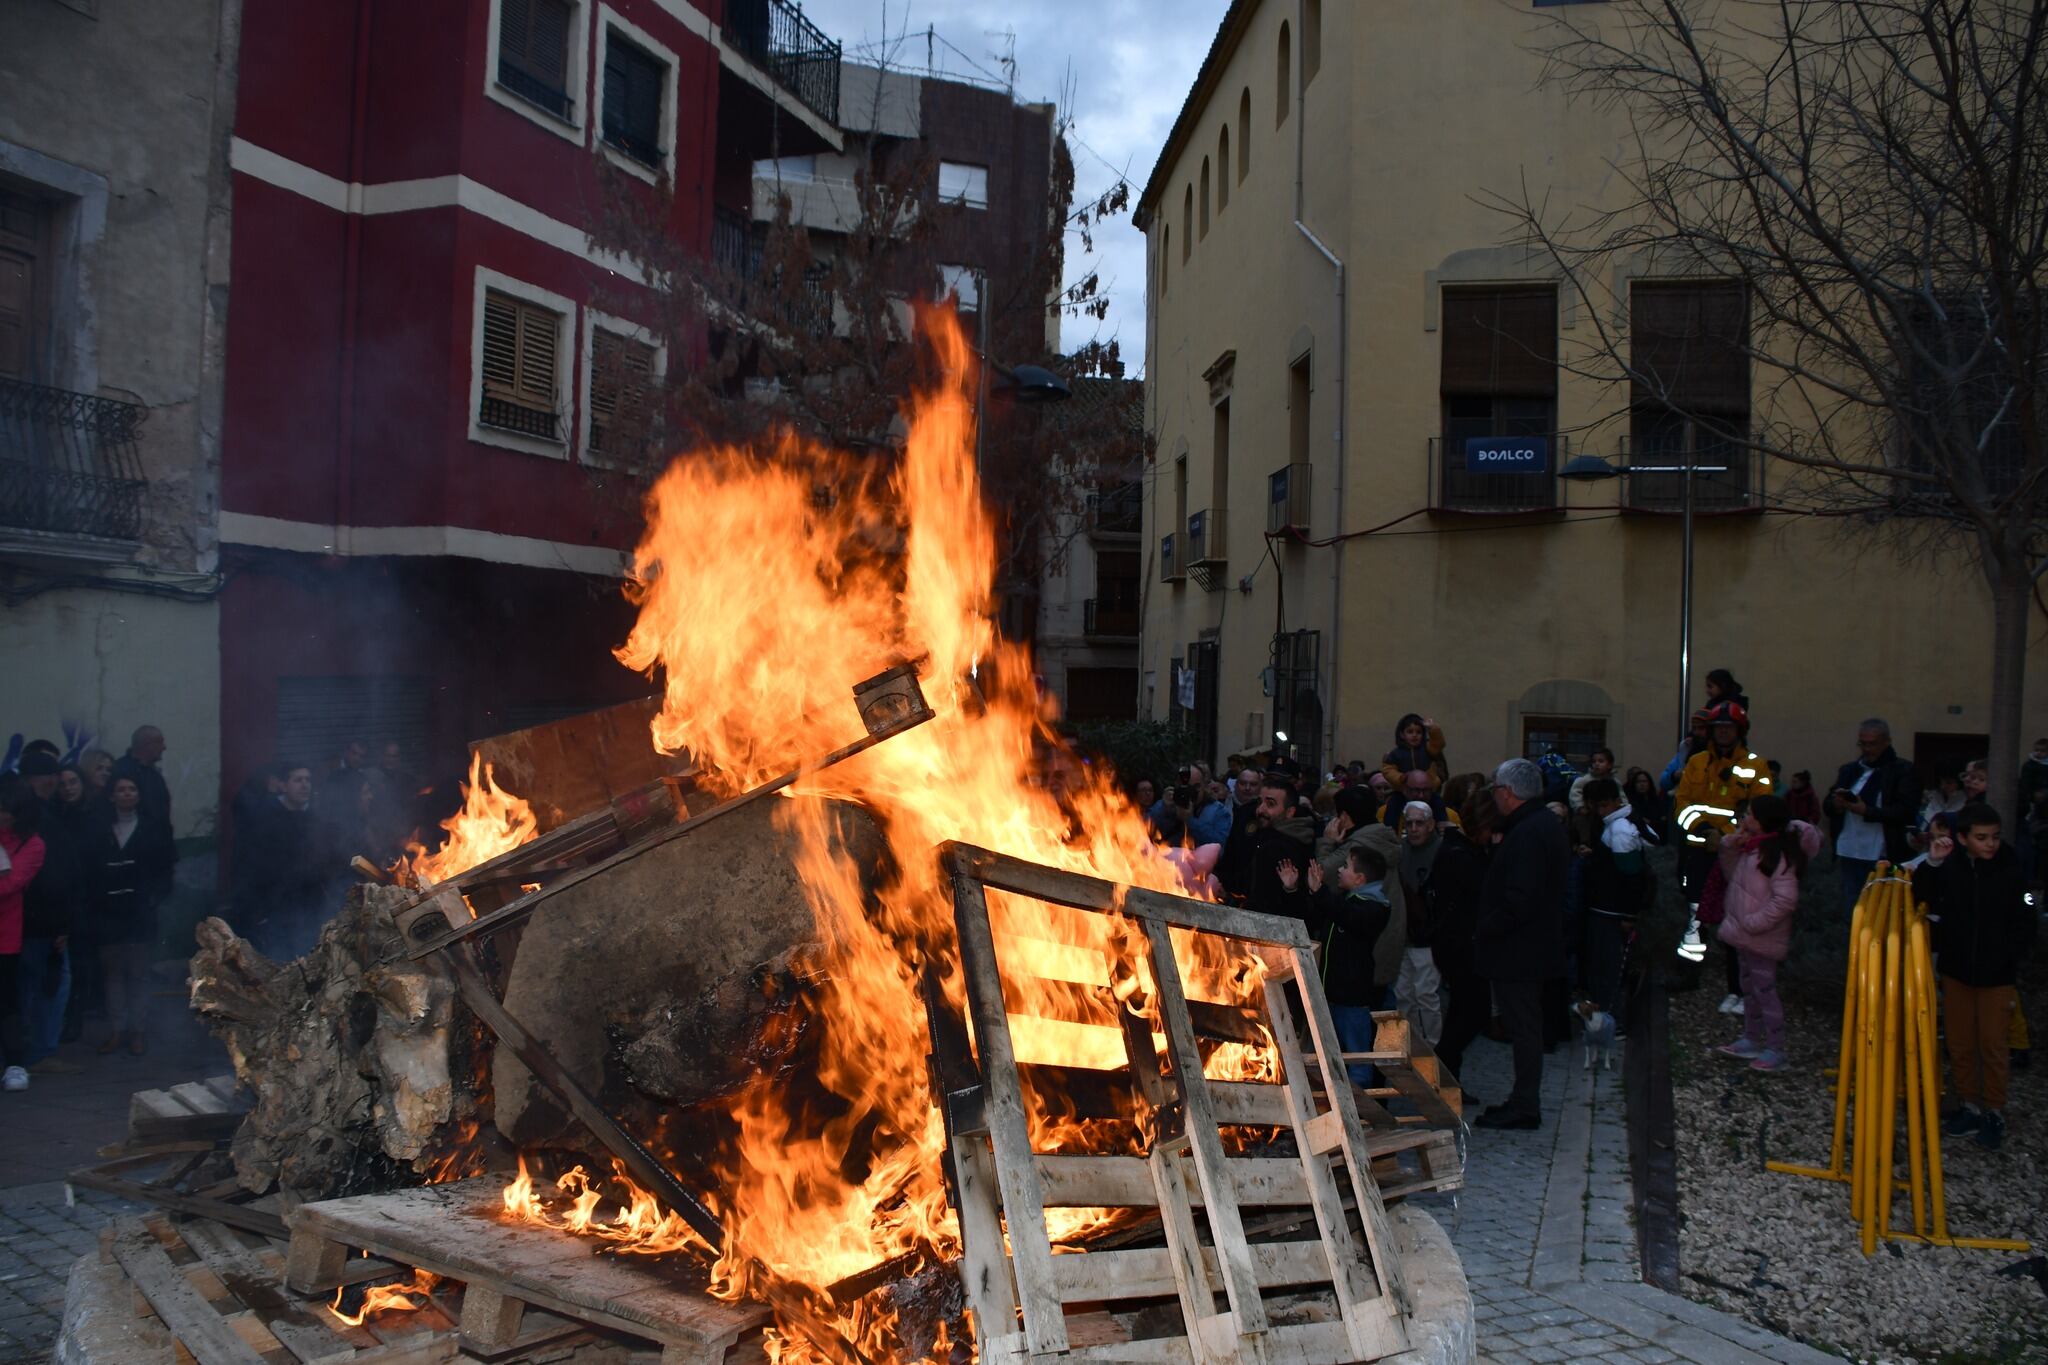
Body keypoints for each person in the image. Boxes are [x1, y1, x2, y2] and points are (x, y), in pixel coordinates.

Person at [1914, 803, 2035, 1150]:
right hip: (1957, 972)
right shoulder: (1950, 868)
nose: (1991, 844)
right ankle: (1968, 1104)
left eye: (1995, 837)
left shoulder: (2011, 872)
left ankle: (1993, 1110)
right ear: (1963, 838)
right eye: (1981, 837)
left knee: (1994, 1045)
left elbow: (2026, 920)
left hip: (1996, 976)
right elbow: (1922, 894)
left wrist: (2009, 956)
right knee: (1960, 1041)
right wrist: (1933, 862)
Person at [1471, 758, 1569, 1130]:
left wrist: (1486, 929)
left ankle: (1526, 1104)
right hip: (1528, 946)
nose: (1494, 796)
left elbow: (1521, 898)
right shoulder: (1539, 824)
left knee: (1524, 1027)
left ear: (1508, 793)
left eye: (1496, 790)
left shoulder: (1530, 832)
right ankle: (1522, 1099)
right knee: (1525, 1025)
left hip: (1521, 950)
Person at [1672, 701, 1775, 1010]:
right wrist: (1704, 831)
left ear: (1740, 731)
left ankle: (1738, 990)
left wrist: (1730, 838)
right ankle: (1689, 976)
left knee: (1737, 918)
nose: (1723, 733)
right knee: (1694, 914)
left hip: (1738, 856)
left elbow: (1762, 813)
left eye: (1729, 728)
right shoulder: (1698, 762)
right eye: (1719, 728)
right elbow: (1682, 804)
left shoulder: (1757, 766)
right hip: (1698, 851)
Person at [1714, 795, 1820, 1073]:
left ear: (1763, 821)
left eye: (1749, 814)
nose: (1743, 819)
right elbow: (1730, 874)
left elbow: (1785, 900)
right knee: (1749, 990)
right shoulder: (1751, 849)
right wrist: (1729, 845)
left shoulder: (1778, 856)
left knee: (1765, 993)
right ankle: (1751, 1038)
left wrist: (1754, 922)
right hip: (1744, 935)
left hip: (1760, 936)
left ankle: (1776, 1047)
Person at [1278, 844, 1393, 1084]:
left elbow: (1348, 916)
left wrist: (1320, 892)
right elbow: (1310, 917)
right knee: (1325, 1057)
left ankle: (1361, 1115)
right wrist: (1293, 890)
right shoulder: (1344, 900)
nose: (1339, 870)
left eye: (1345, 866)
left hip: (1352, 1001)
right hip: (1328, 995)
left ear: (1360, 879)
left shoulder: (1375, 908)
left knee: (1357, 1061)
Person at [86, 776, 176, 1055]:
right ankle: (117, 1030)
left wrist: (151, 898)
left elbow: (166, 869)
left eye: (132, 789)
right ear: (111, 796)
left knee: (138, 974)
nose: (126, 794)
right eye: (120, 790)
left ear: (139, 794)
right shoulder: (99, 827)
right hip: (107, 912)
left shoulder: (154, 827)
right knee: (112, 974)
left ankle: (137, 1031)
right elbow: (89, 866)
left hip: (140, 912)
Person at [14, 752, 80, 1073]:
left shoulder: (25, 813)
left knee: (26, 987)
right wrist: (61, 924)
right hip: (40, 921)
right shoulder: (39, 819)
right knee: (48, 985)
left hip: (22, 919)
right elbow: (53, 877)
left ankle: (21, 1052)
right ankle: (39, 1052)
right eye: (50, 776)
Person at [1316, 784, 1408, 1001]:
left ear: (1345, 817)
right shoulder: (1380, 836)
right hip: (1387, 937)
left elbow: (1320, 876)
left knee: (1362, 1015)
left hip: (1366, 951)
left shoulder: (1359, 847)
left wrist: (1327, 842)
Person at [235, 764, 331, 959]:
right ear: (283, 785)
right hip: (274, 908)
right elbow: (253, 866)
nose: (305, 785)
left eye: (307, 780)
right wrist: (259, 910)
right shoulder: (265, 819)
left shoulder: (313, 819)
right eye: (297, 780)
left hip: (306, 908)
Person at [1827, 718, 1921, 915]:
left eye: (1872, 744)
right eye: (1862, 743)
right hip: (1850, 849)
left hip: (1884, 853)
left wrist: (1866, 811)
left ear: (1887, 742)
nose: (1867, 749)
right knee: (1852, 911)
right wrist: (1836, 804)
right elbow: (1828, 802)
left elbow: (1906, 811)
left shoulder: (1903, 770)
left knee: (1882, 911)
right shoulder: (1850, 770)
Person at [1578, 777, 1649, 1022]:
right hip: (1609, 909)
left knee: (1610, 968)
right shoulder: (1619, 824)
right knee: (1605, 966)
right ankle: (1605, 1013)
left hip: (1612, 911)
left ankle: (1612, 1020)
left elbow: (1632, 876)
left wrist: (1630, 914)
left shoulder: (1620, 830)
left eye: (1598, 805)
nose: (1595, 811)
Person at [1, 776, 49, 1093]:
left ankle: (15, 1063)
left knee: (7, 1002)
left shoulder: (32, 844)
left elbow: (11, 885)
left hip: (6, 936)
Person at [1393, 801, 1447, 1046]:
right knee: (1404, 995)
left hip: (1429, 935)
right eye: (1410, 823)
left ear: (1431, 824)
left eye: (1420, 823)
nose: (1414, 828)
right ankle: (1412, 1046)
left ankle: (1433, 1046)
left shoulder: (1442, 851)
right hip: (1404, 933)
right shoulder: (1400, 850)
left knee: (1426, 994)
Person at [111, 725, 172, 828]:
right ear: (147, 744)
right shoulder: (120, 771)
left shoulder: (155, 775)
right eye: (160, 742)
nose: (164, 747)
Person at [1380, 714, 1447, 790]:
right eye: (1410, 732)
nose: (1414, 735)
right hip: (1404, 791)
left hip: (1428, 789)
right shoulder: (1395, 754)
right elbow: (1388, 770)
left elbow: (1439, 744)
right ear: (1402, 734)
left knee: (1439, 802)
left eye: (1418, 732)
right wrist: (1400, 778)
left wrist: (1432, 728)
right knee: (1393, 802)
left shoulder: (1428, 748)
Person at [1623, 767, 1668, 845]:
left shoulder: (1657, 801)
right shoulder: (1629, 804)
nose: (1642, 784)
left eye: (1644, 781)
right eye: (1638, 782)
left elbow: (1663, 822)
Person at [1569, 748, 1618, 813]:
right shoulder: (1585, 779)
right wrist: (1580, 807)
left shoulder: (1614, 780)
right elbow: (1574, 794)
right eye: (1594, 761)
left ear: (1609, 765)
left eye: (1601, 761)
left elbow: (1621, 796)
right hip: (1588, 813)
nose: (1596, 764)